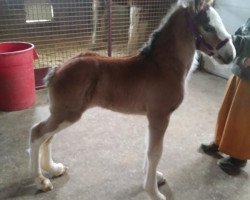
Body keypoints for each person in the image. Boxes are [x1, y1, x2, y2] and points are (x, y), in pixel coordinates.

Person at [200, 19, 250, 174]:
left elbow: (244, 41)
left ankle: (239, 158)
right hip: (239, 71)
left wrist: (222, 38)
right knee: (227, 111)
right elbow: (242, 32)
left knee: (243, 119)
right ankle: (220, 142)